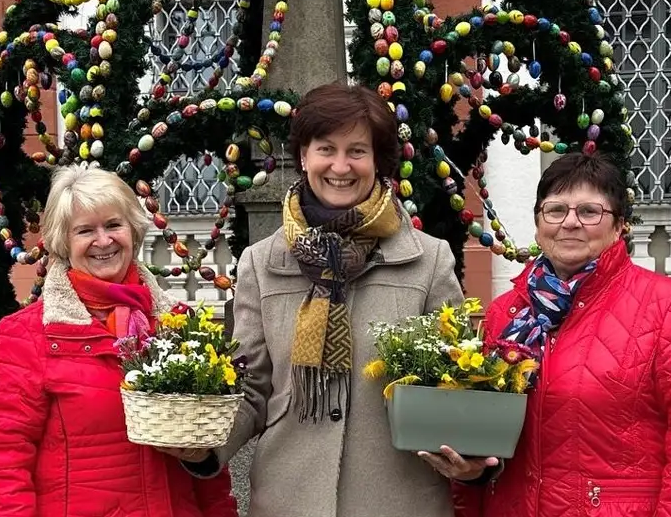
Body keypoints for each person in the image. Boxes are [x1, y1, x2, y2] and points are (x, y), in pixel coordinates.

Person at [182, 81, 464, 517]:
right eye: (325, 148)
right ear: (303, 156)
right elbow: (253, 388)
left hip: (401, 501)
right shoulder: (262, 263)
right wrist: (201, 447)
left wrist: (471, 459)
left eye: (357, 151)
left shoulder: (428, 261)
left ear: (378, 161)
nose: (340, 166)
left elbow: (457, 387)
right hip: (288, 499)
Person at [443, 152, 671, 517]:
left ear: (620, 224)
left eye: (590, 212)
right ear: (538, 222)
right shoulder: (506, 313)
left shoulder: (669, 307)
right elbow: (481, 435)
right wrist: (471, 478)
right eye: (556, 210)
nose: (570, 223)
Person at [0, 163, 237, 517]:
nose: (103, 241)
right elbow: (2, 466)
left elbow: (211, 471)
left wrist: (203, 460)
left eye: (114, 225)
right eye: (85, 230)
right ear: (64, 242)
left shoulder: (177, 324)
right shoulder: (26, 336)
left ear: (133, 230)